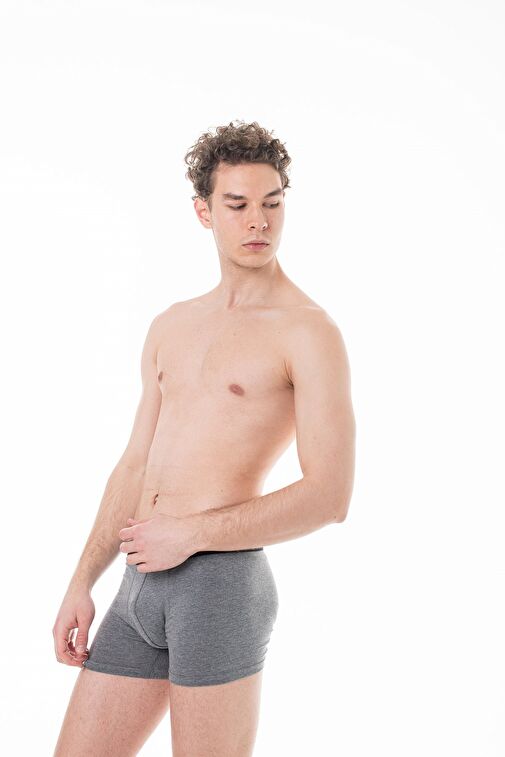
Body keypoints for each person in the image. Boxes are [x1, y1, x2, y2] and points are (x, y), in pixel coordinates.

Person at [52, 119, 356, 756]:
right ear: (203, 212)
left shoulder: (307, 332)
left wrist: (190, 534)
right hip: (138, 582)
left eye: (272, 203)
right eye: (237, 205)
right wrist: (83, 580)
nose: (258, 222)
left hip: (219, 587)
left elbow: (330, 496)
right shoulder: (172, 325)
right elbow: (135, 464)